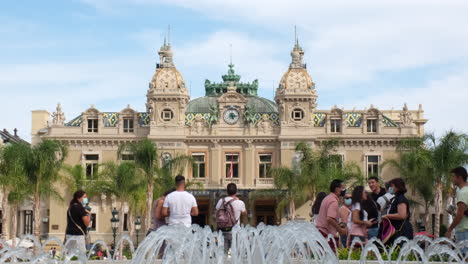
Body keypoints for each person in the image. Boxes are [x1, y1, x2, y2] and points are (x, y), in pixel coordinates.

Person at [316, 179, 347, 252]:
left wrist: (337, 224)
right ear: (337, 189)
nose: (344, 190)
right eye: (343, 188)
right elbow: (329, 218)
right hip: (327, 235)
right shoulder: (333, 201)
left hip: (321, 233)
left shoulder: (327, 198)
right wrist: (340, 230)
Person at [215, 183, 247, 254]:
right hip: (235, 232)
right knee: (235, 254)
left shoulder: (221, 201)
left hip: (223, 231)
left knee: (223, 254)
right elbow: (245, 213)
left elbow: (217, 211)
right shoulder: (240, 202)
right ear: (236, 191)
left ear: (227, 191)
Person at [382, 178, 413, 244]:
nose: (390, 188)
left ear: (398, 187)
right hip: (395, 229)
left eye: (392, 186)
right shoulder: (394, 198)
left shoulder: (400, 198)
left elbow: (402, 215)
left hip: (402, 230)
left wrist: (387, 216)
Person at [446, 167, 468, 254]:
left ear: (459, 178)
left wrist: (449, 229)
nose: (452, 179)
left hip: (464, 230)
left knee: (464, 258)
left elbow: (460, 215)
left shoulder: (462, 193)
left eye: (453, 176)